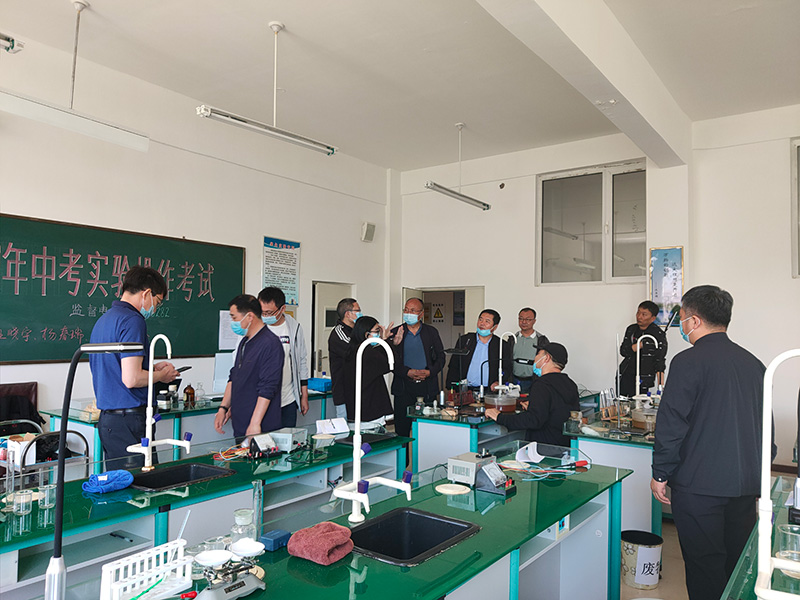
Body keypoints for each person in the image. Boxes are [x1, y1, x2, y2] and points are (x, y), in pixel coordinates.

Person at [650, 285, 767, 600]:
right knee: (737, 564)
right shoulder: (754, 364)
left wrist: (661, 473)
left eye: (682, 319)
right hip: (744, 486)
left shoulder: (688, 361)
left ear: (694, 320)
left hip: (699, 486)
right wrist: (758, 473)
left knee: (704, 565)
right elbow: (764, 427)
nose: (682, 326)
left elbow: (672, 422)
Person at [89, 265, 179, 469]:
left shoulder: (104, 320)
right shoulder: (133, 320)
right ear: (146, 294)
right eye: (157, 302)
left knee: (120, 483)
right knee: (142, 484)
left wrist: (152, 368)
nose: (155, 308)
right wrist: (162, 376)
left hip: (109, 420)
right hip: (129, 420)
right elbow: (131, 379)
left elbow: (117, 367)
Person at [214, 295, 284, 440]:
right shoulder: (245, 342)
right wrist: (223, 408)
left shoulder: (270, 344)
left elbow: (268, 387)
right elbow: (234, 376)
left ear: (250, 316)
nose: (232, 323)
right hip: (241, 423)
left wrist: (255, 423)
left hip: (260, 427)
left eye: (234, 318)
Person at [486, 342, 578, 447]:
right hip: (564, 446)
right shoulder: (570, 384)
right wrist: (534, 406)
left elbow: (533, 420)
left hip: (543, 448)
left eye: (538, 354)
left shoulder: (542, 384)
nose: (535, 358)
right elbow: (560, 412)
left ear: (546, 358)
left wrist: (500, 417)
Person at [389, 298, 445, 438]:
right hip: (404, 388)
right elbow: (390, 361)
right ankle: (403, 453)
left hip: (427, 387)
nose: (408, 313)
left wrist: (430, 372)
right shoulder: (396, 332)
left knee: (428, 429)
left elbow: (441, 357)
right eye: (406, 310)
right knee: (402, 429)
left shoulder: (431, 332)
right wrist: (407, 372)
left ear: (421, 314)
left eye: (413, 311)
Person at [258, 286, 309, 428]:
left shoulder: (294, 328)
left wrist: (304, 396)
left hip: (288, 400)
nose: (265, 316)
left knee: (287, 439)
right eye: (262, 312)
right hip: (261, 400)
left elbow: (301, 362)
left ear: (282, 309)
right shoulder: (256, 328)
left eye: (269, 312)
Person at [341, 316, 394, 425]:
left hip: (356, 407)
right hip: (370, 408)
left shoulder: (353, 349)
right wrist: (385, 341)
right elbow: (388, 364)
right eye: (377, 331)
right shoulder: (366, 352)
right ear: (366, 334)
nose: (378, 334)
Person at [445, 309, 513, 390]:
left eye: (487, 321)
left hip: (489, 390)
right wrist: (451, 387)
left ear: (495, 327)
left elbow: (507, 368)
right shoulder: (465, 340)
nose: (482, 323)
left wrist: (498, 382)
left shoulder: (501, 344)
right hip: (465, 390)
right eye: (480, 319)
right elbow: (454, 364)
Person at [618, 300, 667, 397]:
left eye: (644, 314)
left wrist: (661, 387)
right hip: (625, 374)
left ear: (653, 318)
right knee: (623, 403)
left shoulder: (658, 334)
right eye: (638, 312)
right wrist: (639, 345)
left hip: (644, 379)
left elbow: (660, 361)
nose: (639, 317)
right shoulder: (631, 329)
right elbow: (623, 351)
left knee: (641, 403)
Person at [328, 297, 361, 420]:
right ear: (348, 314)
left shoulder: (355, 331)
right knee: (345, 427)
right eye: (357, 310)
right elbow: (356, 351)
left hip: (357, 389)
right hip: (344, 392)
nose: (360, 313)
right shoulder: (339, 333)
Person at [512, 307, 550, 394]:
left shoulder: (541, 340)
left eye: (528, 319)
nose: (524, 322)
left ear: (534, 321)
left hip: (534, 381)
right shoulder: (512, 339)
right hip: (514, 381)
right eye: (521, 319)